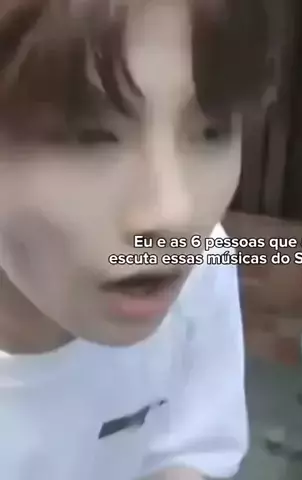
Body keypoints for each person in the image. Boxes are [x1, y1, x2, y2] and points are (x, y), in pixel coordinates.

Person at [0, 0, 270, 478]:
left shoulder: (201, 271)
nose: (175, 215)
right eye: (88, 137)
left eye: (213, 130)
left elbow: (188, 452)